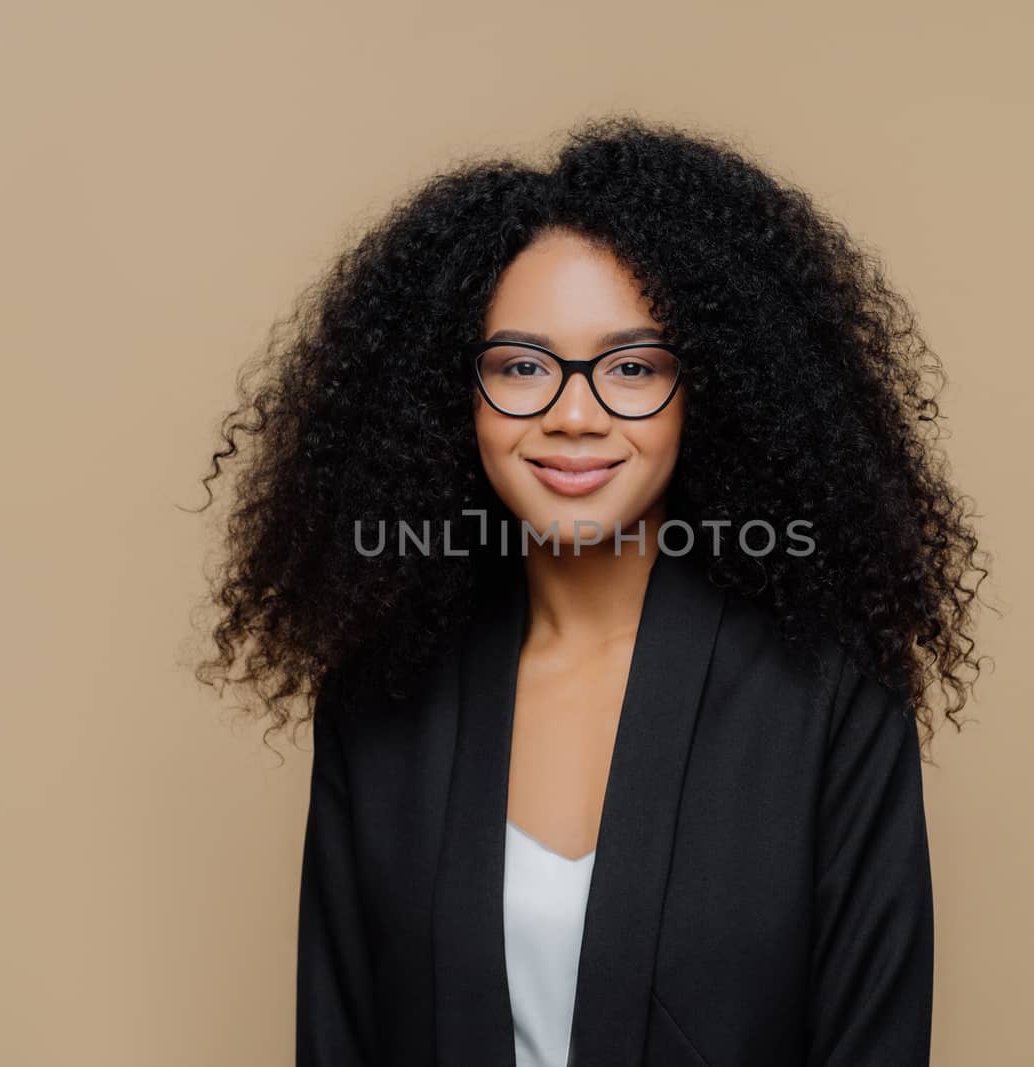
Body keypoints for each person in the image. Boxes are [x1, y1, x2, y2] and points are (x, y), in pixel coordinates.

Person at [193, 113, 989, 1066]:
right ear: (456, 394)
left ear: (715, 388)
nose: (576, 414)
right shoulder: (381, 689)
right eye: (523, 366)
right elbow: (339, 1036)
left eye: (633, 366)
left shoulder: (828, 692)